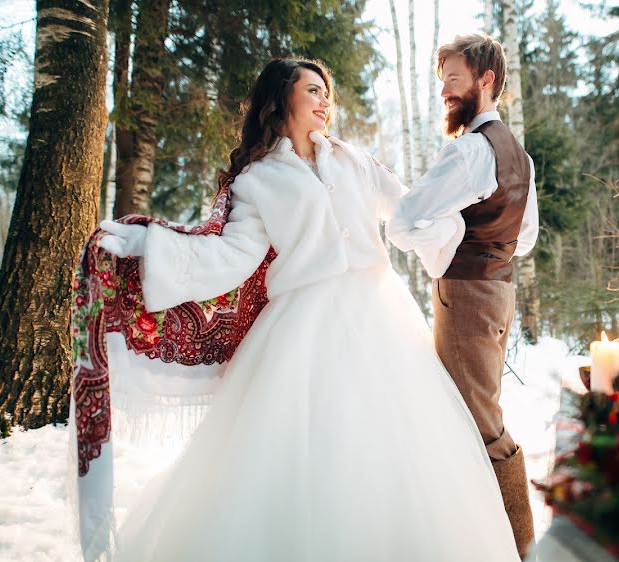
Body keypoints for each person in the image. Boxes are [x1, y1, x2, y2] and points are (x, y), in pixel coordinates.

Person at [95, 58, 520, 562]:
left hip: (379, 315)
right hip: (302, 326)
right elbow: (230, 256)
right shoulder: (255, 180)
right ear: (283, 100)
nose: (324, 101)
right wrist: (150, 246)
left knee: (394, 452)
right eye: (313, 90)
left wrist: (469, 230)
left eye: (327, 92)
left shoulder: (355, 160)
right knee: (298, 458)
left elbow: (413, 208)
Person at [385, 34, 539, 558]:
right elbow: (527, 237)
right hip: (498, 293)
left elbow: (404, 220)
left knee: (476, 422)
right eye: (441, 80)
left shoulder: (472, 150)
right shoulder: (518, 153)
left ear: (486, 80)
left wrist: (447, 241)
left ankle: (515, 545)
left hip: (468, 296)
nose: (446, 91)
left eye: (454, 79)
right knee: (474, 414)